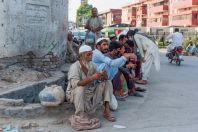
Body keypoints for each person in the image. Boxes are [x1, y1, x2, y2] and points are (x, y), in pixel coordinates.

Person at [66, 45, 116, 125]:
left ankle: (106, 110)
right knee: (80, 88)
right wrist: (92, 78)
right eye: (88, 54)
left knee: (108, 82)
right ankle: (80, 114)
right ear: (82, 55)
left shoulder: (92, 65)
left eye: (91, 54)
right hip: (76, 94)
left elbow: (102, 77)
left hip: (90, 91)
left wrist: (104, 75)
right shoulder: (74, 66)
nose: (91, 56)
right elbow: (76, 84)